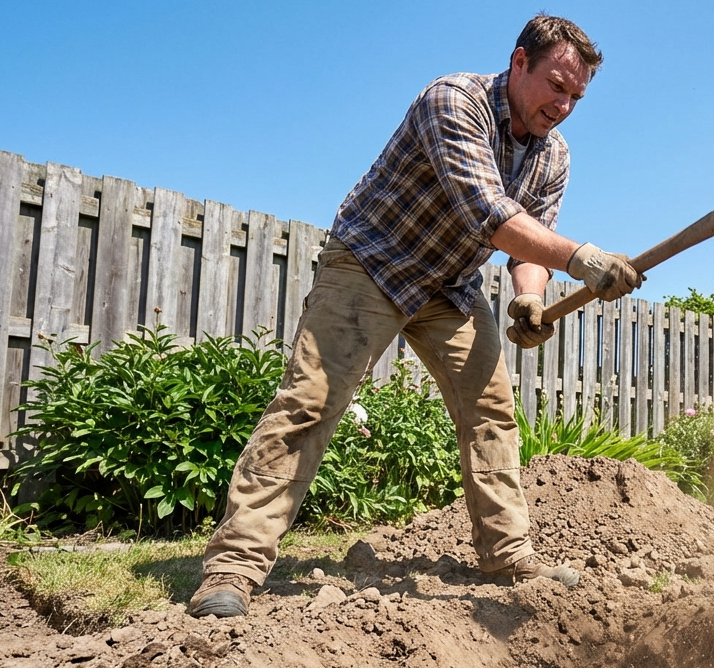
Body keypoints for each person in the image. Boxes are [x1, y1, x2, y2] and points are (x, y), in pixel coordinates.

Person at [188, 14, 640, 619]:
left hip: (448, 283)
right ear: (519, 63)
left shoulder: (552, 154)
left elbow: (530, 242)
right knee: (311, 401)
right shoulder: (453, 100)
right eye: (556, 86)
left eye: (576, 96)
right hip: (373, 260)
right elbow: (490, 213)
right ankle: (234, 568)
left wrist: (530, 294)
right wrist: (585, 259)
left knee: (491, 408)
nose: (563, 106)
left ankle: (506, 553)